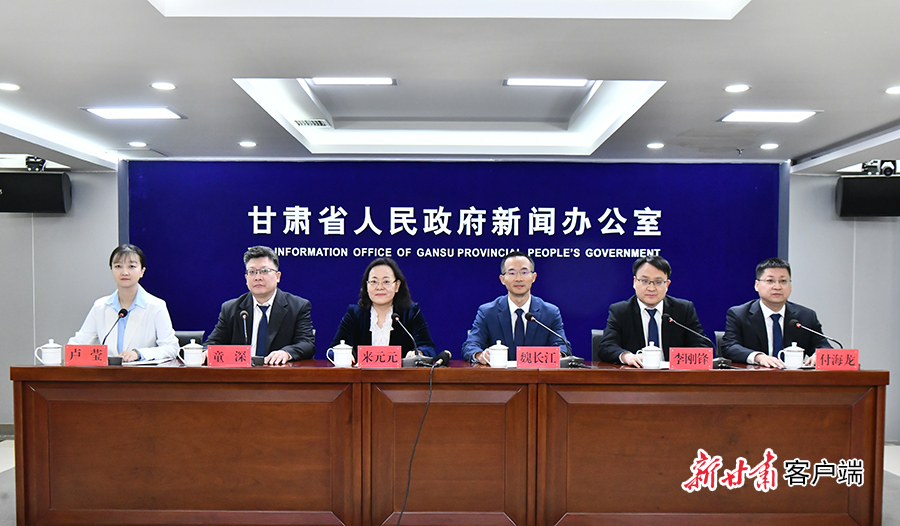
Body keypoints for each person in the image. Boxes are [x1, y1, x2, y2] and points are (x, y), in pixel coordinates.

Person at [205, 245, 315, 365]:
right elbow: (212, 343)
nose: (257, 277)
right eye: (252, 272)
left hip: (279, 372)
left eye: (264, 271)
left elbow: (307, 343)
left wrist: (286, 353)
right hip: (241, 374)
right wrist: (206, 352)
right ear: (246, 278)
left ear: (277, 277)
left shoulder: (298, 306)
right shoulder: (231, 308)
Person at [69, 244, 178, 362]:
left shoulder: (156, 306)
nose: (124, 272)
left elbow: (171, 348)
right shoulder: (100, 307)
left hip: (143, 372)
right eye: (118, 266)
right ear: (111, 270)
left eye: (131, 266)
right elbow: (77, 345)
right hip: (109, 373)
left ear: (142, 271)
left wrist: (138, 354)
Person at [597, 255, 709, 367]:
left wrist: (677, 363)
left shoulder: (683, 309)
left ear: (667, 284)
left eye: (658, 282)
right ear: (635, 282)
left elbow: (702, 347)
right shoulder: (620, 311)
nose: (651, 288)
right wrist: (627, 356)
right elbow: (606, 346)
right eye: (645, 281)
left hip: (674, 375)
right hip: (635, 375)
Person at [721, 257, 831, 368]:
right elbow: (729, 347)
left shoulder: (806, 316)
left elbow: (823, 346)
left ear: (790, 286)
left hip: (794, 377)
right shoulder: (739, 314)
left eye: (783, 281)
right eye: (770, 281)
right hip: (754, 376)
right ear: (757, 285)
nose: (777, 287)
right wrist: (759, 357)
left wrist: (819, 356)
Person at [462, 251, 567, 364]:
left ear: (533, 277)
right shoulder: (487, 312)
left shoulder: (550, 312)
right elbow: (470, 345)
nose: (518, 278)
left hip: (535, 374)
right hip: (499, 374)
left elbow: (563, 346)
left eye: (524, 272)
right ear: (502, 279)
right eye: (512, 273)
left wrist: (559, 355)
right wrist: (480, 355)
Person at [330, 257, 436, 359]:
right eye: (374, 282)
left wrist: (418, 353)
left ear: (397, 285)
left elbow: (429, 348)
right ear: (366, 286)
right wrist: (343, 355)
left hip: (401, 372)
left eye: (386, 282)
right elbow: (333, 349)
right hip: (361, 372)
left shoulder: (411, 313)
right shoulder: (354, 314)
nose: (379, 287)